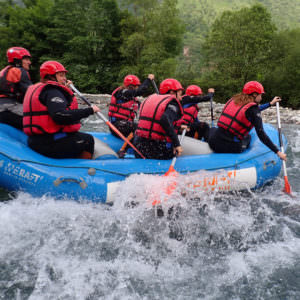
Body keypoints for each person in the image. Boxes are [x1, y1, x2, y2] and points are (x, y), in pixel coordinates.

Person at [23, 60, 100, 159]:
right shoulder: (52, 91)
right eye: (61, 75)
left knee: (76, 135)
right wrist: (89, 111)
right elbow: (60, 115)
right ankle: (84, 169)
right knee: (87, 140)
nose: (65, 78)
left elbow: (61, 106)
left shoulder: (41, 88)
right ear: (50, 76)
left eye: (64, 75)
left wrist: (66, 90)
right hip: (48, 143)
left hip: (36, 140)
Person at [208, 81, 286, 160]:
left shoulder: (235, 100)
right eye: (261, 95)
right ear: (254, 94)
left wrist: (270, 103)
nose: (261, 97)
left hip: (213, 142)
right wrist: (278, 152)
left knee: (213, 129)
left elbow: (251, 111)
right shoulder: (253, 109)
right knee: (248, 137)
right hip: (228, 146)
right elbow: (261, 133)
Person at [133, 78, 184, 160]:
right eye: (180, 94)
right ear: (172, 92)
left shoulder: (150, 98)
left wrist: (178, 128)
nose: (181, 98)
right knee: (175, 152)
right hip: (157, 149)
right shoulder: (173, 103)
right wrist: (177, 144)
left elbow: (154, 122)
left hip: (139, 147)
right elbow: (164, 119)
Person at [108, 74, 155, 138]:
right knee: (137, 126)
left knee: (145, 126)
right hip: (116, 126)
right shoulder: (122, 93)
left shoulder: (132, 97)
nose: (137, 87)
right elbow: (140, 91)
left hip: (125, 124)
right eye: (136, 86)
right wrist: (148, 79)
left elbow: (145, 108)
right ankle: (131, 146)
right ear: (130, 86)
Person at [0, 47, 32, 129]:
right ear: (18, 60)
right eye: (26, 59)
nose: (29, 62)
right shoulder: (20, 71)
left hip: (3, 107)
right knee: (37, 118)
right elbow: (32, 93)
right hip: (8, 108)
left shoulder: (3, 71)